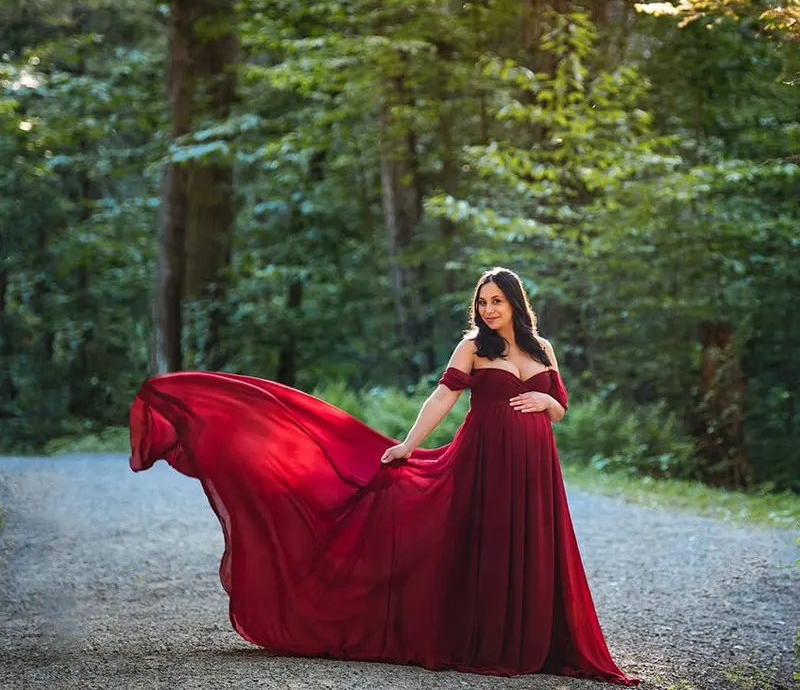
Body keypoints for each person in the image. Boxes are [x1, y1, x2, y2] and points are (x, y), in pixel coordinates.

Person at [129, 266, 639, 685]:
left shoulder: (542, 348)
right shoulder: (473, 348)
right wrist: (407, 446)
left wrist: (549, 399)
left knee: (532, 543)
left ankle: (536, 638)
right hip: (485, 459)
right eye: (482, 302)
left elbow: (561, 409)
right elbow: (443, 397)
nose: (487, 309)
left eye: (496, 301)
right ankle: (487, 636)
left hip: (535, 466)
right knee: (486, 541)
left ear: (514, 303)